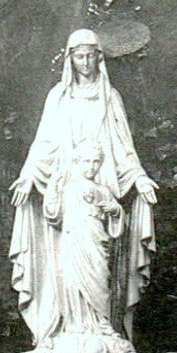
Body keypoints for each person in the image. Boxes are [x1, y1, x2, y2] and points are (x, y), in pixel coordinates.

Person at [9, 29, 157, 353]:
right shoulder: (58, 97)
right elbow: (44, 143)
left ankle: (104, 327)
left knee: (100, 263)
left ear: (99, 58)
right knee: (64, 265)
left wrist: (138, 177)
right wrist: (30, 175)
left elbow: (123, 147)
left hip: (101, 189)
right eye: (79, 56)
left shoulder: (110, 98)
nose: (85, 62)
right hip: (65, 193)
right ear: (69, 59)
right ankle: (68, 331)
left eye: (91, 55)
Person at [43, 140, 123, 338]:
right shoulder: (67, 188)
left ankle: (102, 324)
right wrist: (52, 187)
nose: (91, 167)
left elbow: (116, 214)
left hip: (97, 241)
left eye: (96, 162)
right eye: (87, 161)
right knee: (73, 282)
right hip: (74, 241)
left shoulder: (104, 190)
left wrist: (114, 210)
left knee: (101, 277)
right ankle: (76, 325)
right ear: (77, 162)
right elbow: (53, 214)